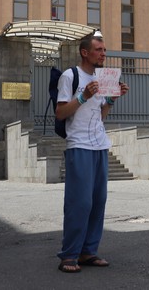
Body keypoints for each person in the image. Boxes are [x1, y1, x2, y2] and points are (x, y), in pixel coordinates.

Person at [55, 32, 129, 273]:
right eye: (99, 50)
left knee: (98, 201)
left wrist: (112, 98)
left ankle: (88, 251)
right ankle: (69, 255)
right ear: (85, 52)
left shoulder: (102, 78)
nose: (103, 54)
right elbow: (61, 113)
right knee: (80, 202)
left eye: (105, 50)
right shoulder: (70, 76)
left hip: (99, 144)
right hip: (79, 145)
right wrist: (83, 95)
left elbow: (100, 116)